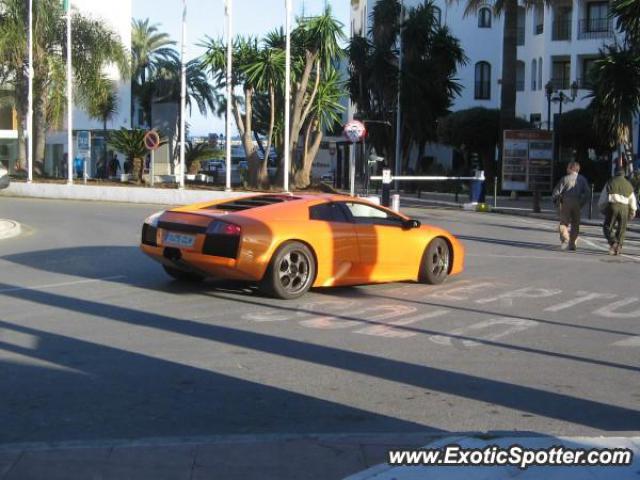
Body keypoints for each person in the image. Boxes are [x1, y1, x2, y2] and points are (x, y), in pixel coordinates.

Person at [551, 161, 590, 251]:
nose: (566, 169)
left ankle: (565, 238)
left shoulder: (565, 179)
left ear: (572, 168)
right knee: (575, 224)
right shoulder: (582, 179)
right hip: (577, 202)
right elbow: (587, 193)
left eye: (568, 167)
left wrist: (555, 202)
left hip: (566, 202)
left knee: (563, 223)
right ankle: (572, 244)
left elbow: (556, 192)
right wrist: (582, 203)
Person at [598, 167, 637, 255]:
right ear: (624, 174)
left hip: (613, 206)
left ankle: (613, 242)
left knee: (607, 226)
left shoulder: (610, 182)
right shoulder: (628, 184)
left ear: (615, 173)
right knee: (622, 228)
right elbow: (632, 199)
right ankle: (618, 246)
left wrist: (601, 208)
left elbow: (603, 198)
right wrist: (633, 211)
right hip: (625, 208)